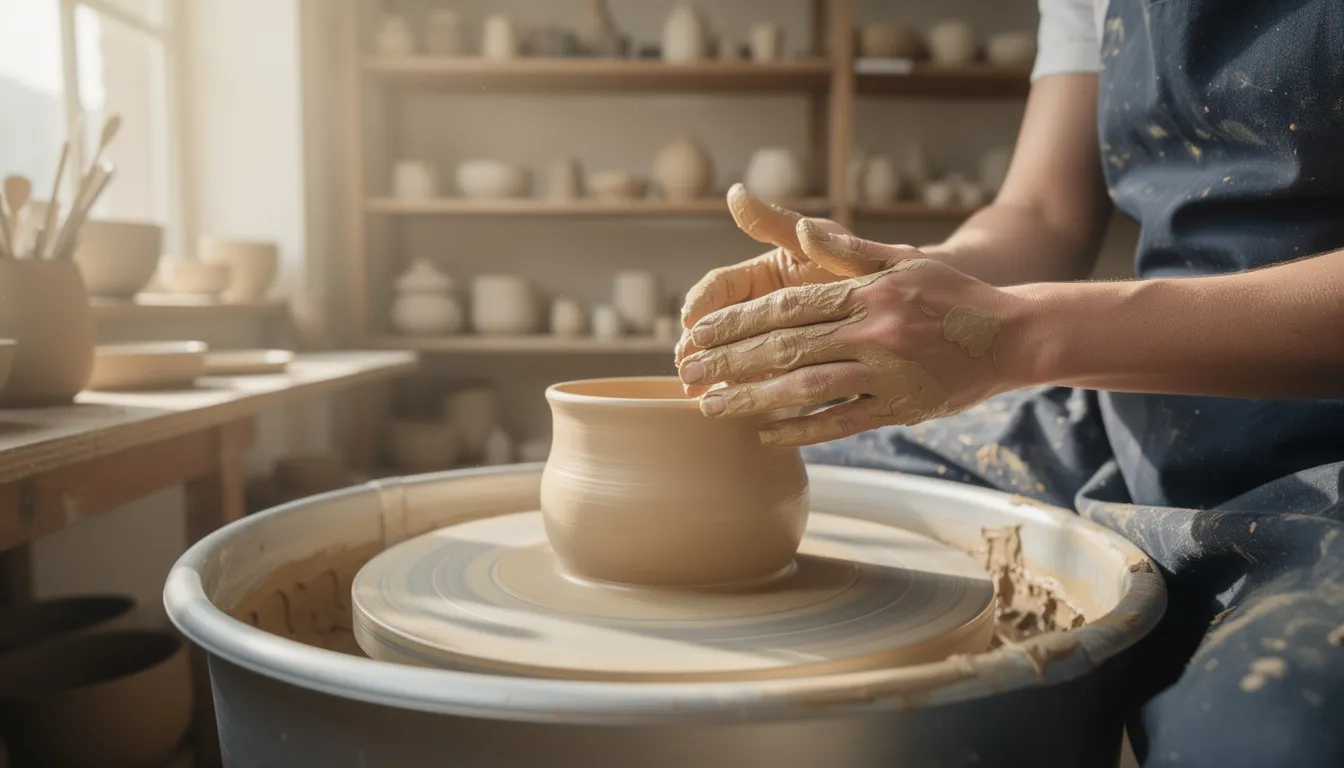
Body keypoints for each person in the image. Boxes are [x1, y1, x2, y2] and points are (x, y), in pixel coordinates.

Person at [675, 0, 1344, 765]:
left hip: (1323, 453)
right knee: (791, 492)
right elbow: (1040, 212)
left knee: (1263, 735)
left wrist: (1014, 335)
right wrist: (886, 285)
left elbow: (1025, 324)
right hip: (1132, 415)